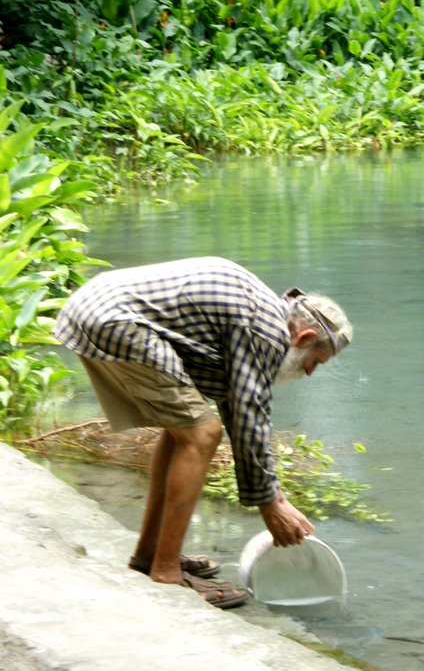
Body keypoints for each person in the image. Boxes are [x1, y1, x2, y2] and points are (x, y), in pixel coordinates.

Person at [53, 256, 353, 610]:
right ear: (304, 337)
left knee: (183, 432)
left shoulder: (262, 314)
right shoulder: (267, 332)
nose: (310, 372)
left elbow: (238, 408)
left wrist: (273, 496)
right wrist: (270, 503)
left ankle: (151, 555)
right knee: (201, 434)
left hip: (93, 307)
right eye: (315, 361)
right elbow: (249, 416)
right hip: (113, 319)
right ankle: (166, 572)